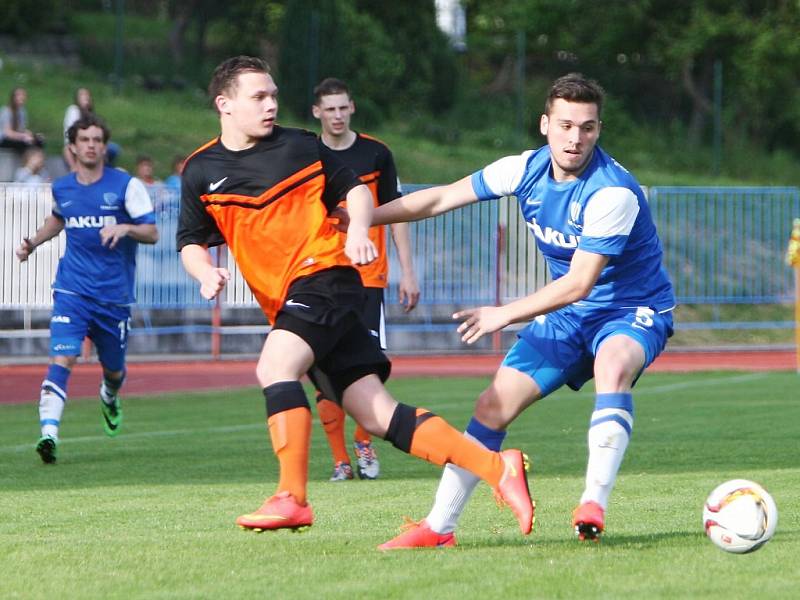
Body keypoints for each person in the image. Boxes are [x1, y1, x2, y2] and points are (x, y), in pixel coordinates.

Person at [176, 55, 533, 536]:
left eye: (274, 95)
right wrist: (203, 273)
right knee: (378, 415)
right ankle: (497, 467)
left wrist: (360, 229)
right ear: (224, 104)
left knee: (275, 367)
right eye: (259, 96)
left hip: (326, 278)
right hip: (292, 297)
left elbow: (357, 192)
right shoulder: (201, 170)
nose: (271, 105)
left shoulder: (301, 146)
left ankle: (292, 497)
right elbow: (190, 241)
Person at [370, 73, 676, 549]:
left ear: (599, 129)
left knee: (612, 365)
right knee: (492, 405)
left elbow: (579, 283)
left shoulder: (612, 192)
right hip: (568, 315)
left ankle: (592, 502)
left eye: (588, 127)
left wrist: (504, 313)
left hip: (630, 308)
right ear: (544, 124)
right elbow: (440, 197)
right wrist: (361, 217)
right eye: (566, 125)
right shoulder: (522, 170)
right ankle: (439, 528)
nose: (576, 138)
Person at [15, 114, 159, 464]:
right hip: (72, 290)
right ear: (73, 148)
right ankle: (49, 434)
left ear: (104, 146)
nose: (91, 145)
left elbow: (152, 233)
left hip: (114, 296)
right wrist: (33, 242)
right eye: (85, 140)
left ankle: (109, 395)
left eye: (97, 140)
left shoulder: (126, 186)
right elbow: (59, 218)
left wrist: (124, 228)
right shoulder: (63, 187)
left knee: (114, 370)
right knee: (63, 355)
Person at [311, 77, 420, 482]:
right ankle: (340, 459)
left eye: (343, 107)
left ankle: (364, 441)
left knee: (365, 368)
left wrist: (408, 272)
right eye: (330, 108)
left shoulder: (376, 153)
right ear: (317, 112)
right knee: (324, 373)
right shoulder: (308, 155)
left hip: (368, 278)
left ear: (352, 107)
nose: (337, 115)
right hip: (320, 276)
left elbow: (398, 213)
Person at [62, 88, 121, 170]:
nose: (86, 97)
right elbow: (68, 142)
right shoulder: (74, 111)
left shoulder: (90, 113)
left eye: (87, 95)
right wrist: (73, 167)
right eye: (82, 95)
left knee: (113, 149)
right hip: (76, 146)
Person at [0, 87, 45, 153]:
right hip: (4, 139)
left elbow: (21, 129)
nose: (22, 97)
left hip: (17, 137)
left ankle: (36, 159)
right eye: (19, 95)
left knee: (39, 140)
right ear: (13, 97)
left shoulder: (22, 111)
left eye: (23, 95)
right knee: (24, 143)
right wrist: (23, 136)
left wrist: (32, 135)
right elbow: (7, 133)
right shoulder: (5, 111)